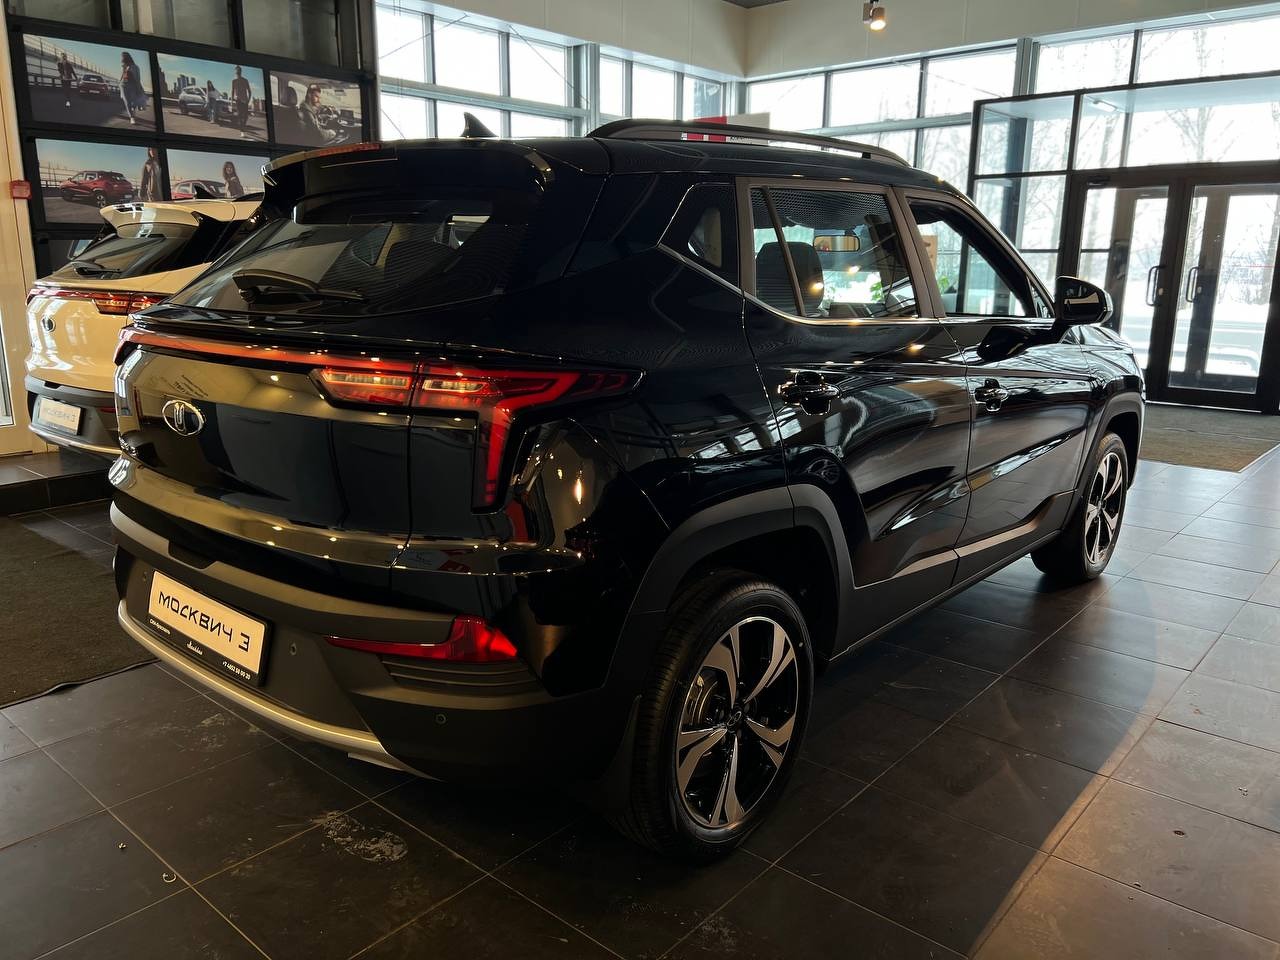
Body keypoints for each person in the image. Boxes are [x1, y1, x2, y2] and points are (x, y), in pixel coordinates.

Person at [119, 51, 146, 125]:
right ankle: (132, 117)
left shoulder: (135, 67)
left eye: (122, 57)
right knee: (127, 102)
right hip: (123, 85)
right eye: (121, 57)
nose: (121, 58)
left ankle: (133, 112)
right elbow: (122, 76)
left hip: (132, 85)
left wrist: (139, 88)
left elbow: (138, 78)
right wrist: (119, 83)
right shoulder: (123, 66)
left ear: (127, 57)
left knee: (133, 102)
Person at [231, 66, 252, 138]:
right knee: (239, 115)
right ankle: (242, 131)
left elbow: (249, 91)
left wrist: (248, 100)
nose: (237, 72)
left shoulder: (245, 80)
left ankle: (243, 126)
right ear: (235, 72)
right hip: (238, 100)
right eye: (236, 71)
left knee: (245, 116)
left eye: (239, 71)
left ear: (241, 72)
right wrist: (231, 102)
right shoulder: (234, 81)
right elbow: (232, 91)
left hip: (245, 101)